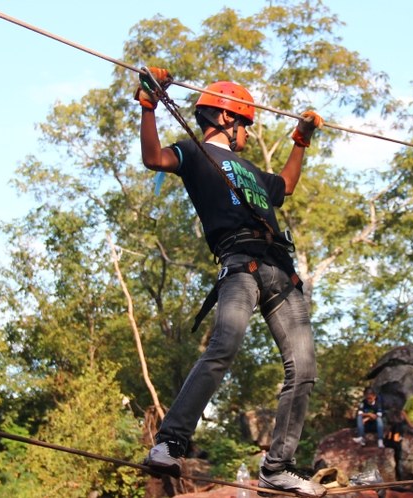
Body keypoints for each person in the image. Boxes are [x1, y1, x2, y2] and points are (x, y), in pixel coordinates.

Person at [136, 68, 326, 498]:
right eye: (244, 124)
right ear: (226, 119)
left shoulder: (254, 172)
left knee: (305, 369)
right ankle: (169, 442)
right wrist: (149, 105)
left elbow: (288, 185)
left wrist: (301, 140)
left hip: (280, 270)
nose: (245, 134)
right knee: (224, 344)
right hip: (241, 264)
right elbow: (153, 158)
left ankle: (277, 467)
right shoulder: (194, 152)